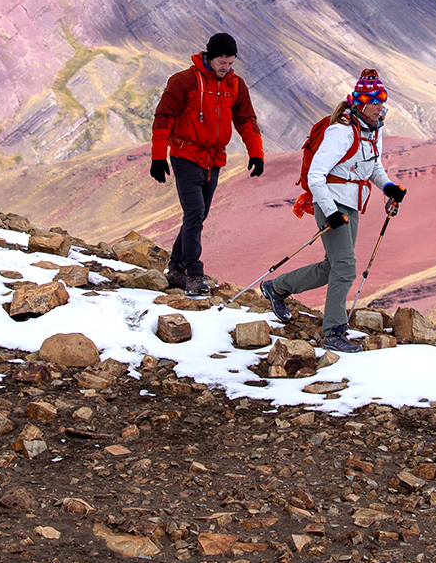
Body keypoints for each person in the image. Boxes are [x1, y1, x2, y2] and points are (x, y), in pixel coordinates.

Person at [263, 69, 408, 352]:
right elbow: (317, 175)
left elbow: (373, 166)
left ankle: (276, 288)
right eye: (376, 102)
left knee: (333, 266)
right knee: (344, 267)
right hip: (331, 203)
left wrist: (388, 187)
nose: (382, 108)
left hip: (351, 205)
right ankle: (333, 332)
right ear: (362, 104)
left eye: (382, 102)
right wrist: (330, 212)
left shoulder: (373, 130)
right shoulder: (340, 132)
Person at [149, 32, 264, 294]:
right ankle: (194, 274)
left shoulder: (235, 84)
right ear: (209, 57)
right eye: (222, 62)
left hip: (214, 159)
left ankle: (176, 268)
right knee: (194, 213)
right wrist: (158, 156)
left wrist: (256, 153)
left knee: (199, 215)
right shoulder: (184, 81)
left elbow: (246, 120)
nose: (226, 67)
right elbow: (164, 117)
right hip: (185, 155)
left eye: (230, 62)